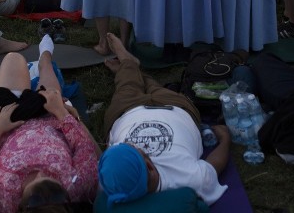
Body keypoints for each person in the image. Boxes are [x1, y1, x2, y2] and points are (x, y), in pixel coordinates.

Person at [99, 34, 230, 207]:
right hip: (176, 108)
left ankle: (128, 65)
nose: (133, 145)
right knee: (154, 86)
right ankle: (130, 67)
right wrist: (225, 139)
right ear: (150, 167)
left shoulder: (110, 176)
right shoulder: (189, 179)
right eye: (136, 149)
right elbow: (215, 165)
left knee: (126, 86)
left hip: (126, 111)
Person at [0, 43, 99, 213]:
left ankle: (30, 80)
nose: (39, 173)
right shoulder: (80, 186)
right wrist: (61, 113)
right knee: (51, 92)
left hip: (7, 125)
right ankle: (44, 58)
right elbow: (84, 146)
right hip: (49, 118)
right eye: (51, 180)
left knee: (13, 59)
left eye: (33, 184)